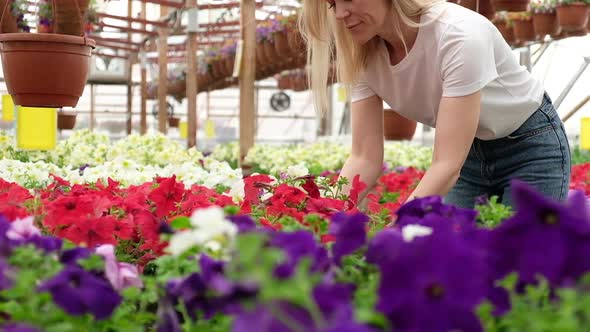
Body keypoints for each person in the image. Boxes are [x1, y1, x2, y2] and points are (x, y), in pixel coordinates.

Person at [300, 0, 571, 209]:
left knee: (526, 262)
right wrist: (329, 214)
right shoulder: (363, 58)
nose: (339, 14)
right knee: (456, 263)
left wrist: (398, 232)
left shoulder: (457, 34)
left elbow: (447, 165)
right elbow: (363, 157)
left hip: (530, 148)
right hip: (469, 158)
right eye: (333, 3)